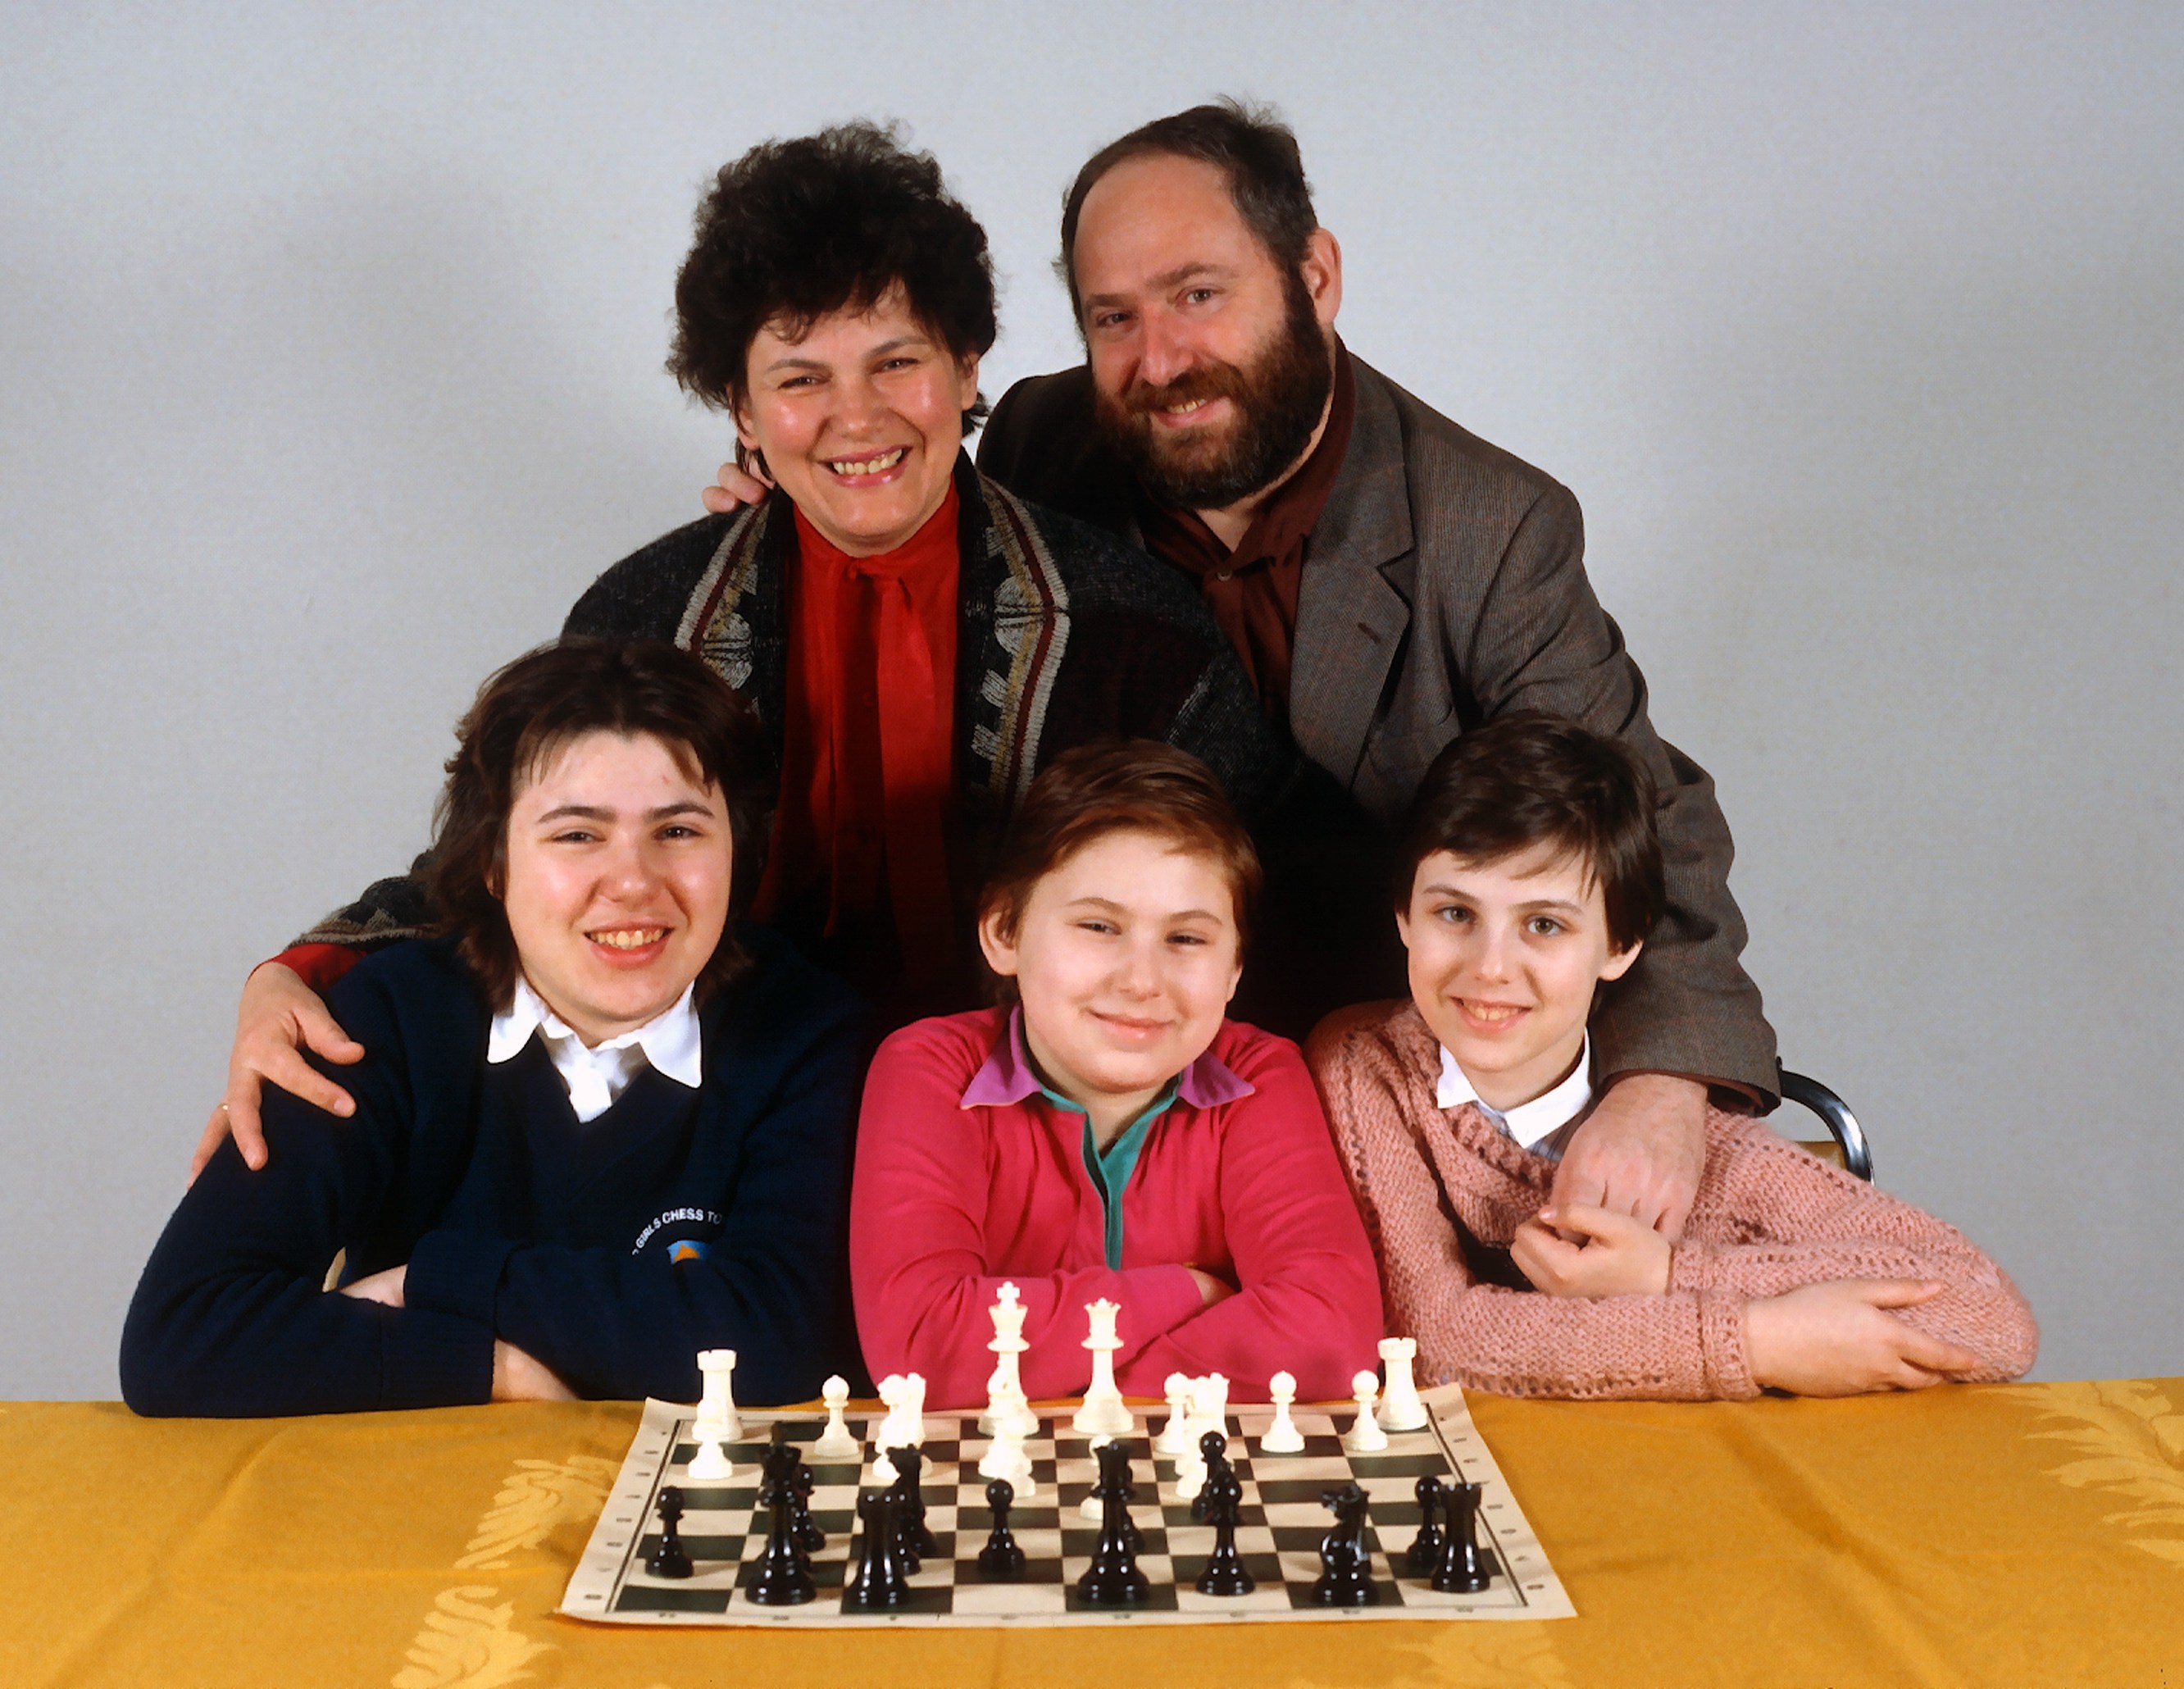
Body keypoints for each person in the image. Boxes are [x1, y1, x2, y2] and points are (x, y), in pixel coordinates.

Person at [712, 100, 1777, 1245]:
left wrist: (1665, 1085)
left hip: (1354, 1058)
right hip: (1096, 1048)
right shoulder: (1043, 439)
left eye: (1199, 295)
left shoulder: (1487, 527)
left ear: (1313, 276)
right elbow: (896, 482)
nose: (1160, 358)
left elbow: (1635, 808)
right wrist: (803, 511)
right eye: (1113, 317)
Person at [191, 121, 1291, 1181]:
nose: (854, 419)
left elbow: (1238, 941)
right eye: (800, 377)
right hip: (718, 1145)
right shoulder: (644, 612)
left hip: (1045, 1153)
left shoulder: (1139, 632)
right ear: (742, 408)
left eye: (896, 362)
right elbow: (520, 868)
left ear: (967, 370)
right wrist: (295, 972)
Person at [124, 640, 866, 1414]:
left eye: (679, 831)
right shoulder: (387, 1019)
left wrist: (444, 1282)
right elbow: (182, 1335)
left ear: (740, 851)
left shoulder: (811, 1034)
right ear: (492, 862)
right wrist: (497, 1372)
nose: (634, 883)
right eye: (577, 834)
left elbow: (789, 1341)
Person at [1308, 712, 2037, 1399]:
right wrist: (1753, 1341)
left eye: (1544, 924)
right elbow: (1434, 1341)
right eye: (1455, 913)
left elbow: (1991, 1318)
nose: (1490, 967)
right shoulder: (1363, 1067)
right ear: (1404, 915)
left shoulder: (1694, 1149)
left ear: (1623, 945)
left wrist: (1666, 1273)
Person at [849, 741, 1383, 1409]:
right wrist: (1192, 1290)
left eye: (1186, 938)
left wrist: (1084, 1392)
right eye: (1100, 926)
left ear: (1235, 969)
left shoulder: (1259, 1074)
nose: (1141, 981)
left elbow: (1333, 1339)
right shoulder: (927, 1070)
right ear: (1004, 934)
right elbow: (923, 1348)